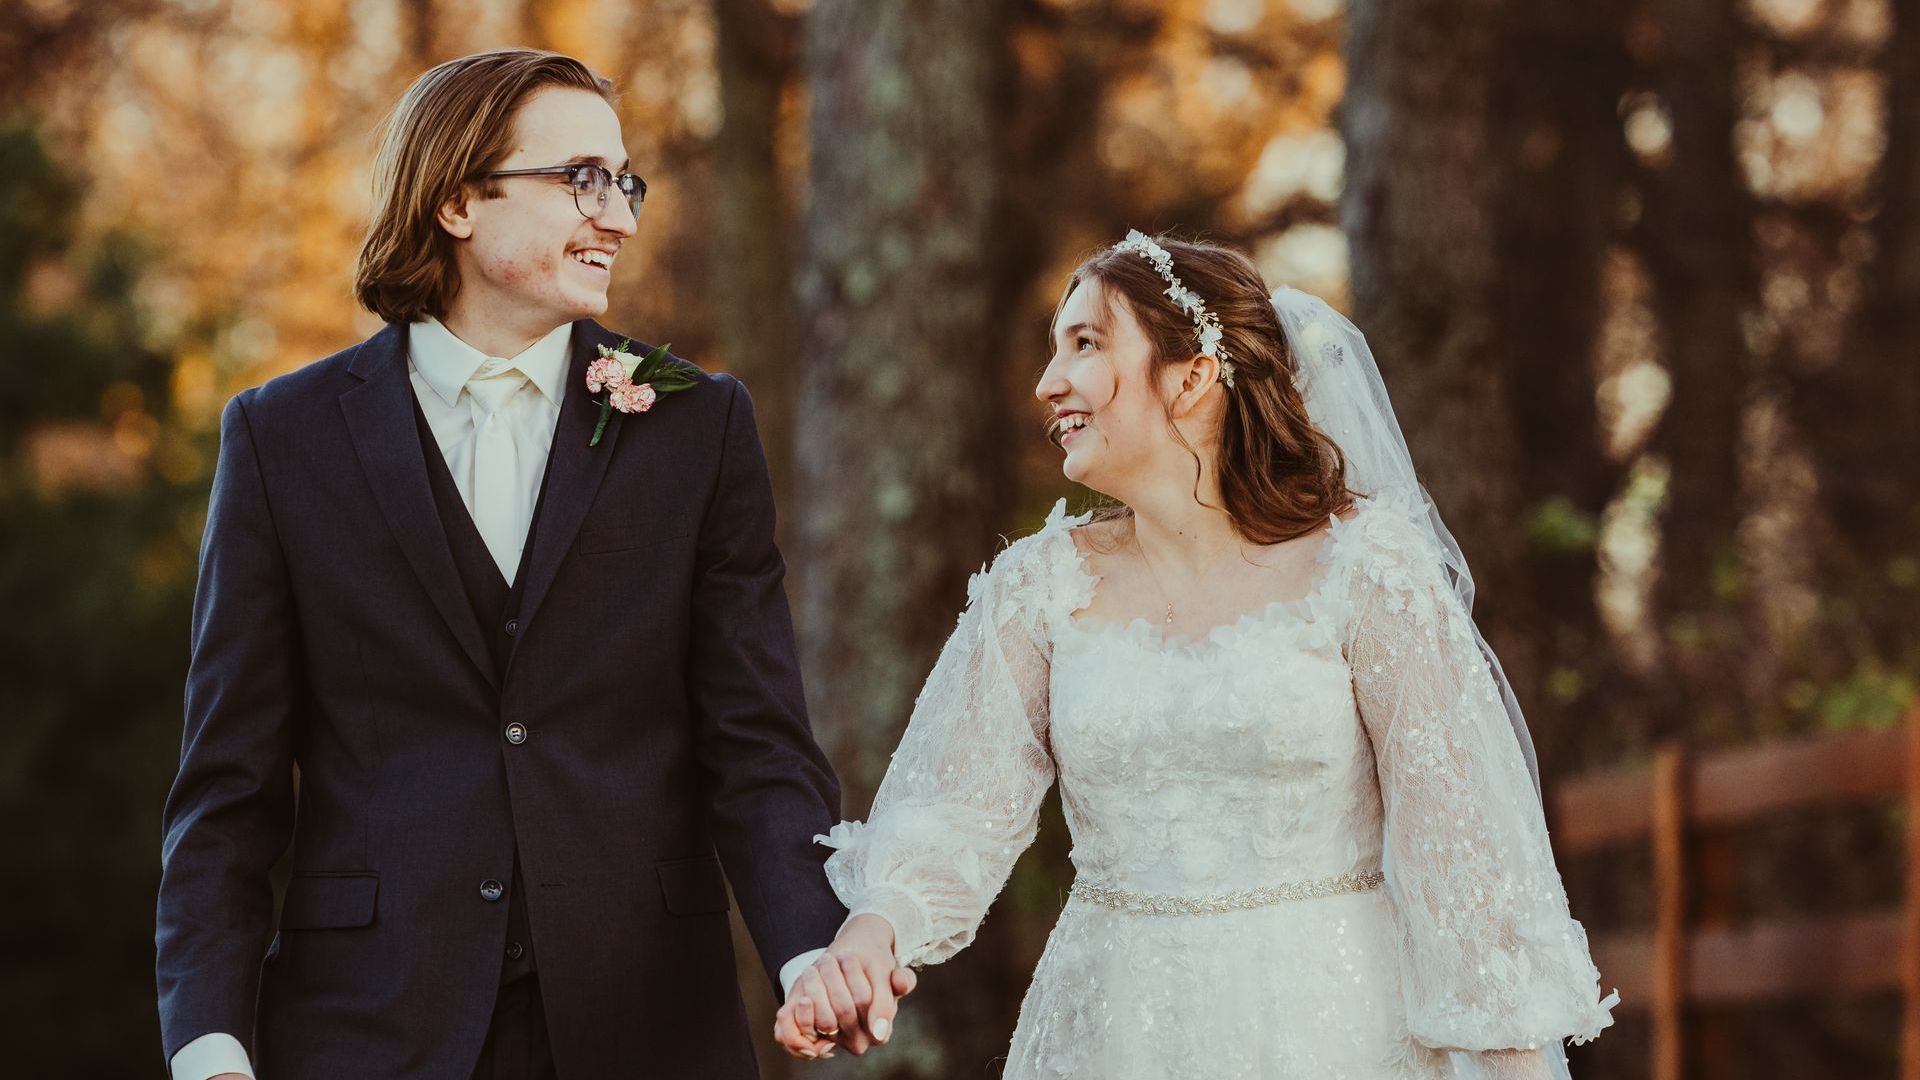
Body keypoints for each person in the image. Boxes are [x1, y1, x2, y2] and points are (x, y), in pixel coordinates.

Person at [155, 48, 857, 1080]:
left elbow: (757, 742)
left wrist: (811, 948)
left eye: (625, 181)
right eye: (580, 178)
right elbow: (228, 790)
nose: (617, 214)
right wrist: (210, 1044)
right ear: (455, 203)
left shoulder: (698, 421)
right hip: (367, 1029)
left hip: (646, 1024)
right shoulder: (282, 436)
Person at [775, 232, 1618, 1078]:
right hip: (1111, 1035)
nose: (1047, 382)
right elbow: (951, 813)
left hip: (1338, 1032)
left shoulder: (1367, 570)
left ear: (1192, 377)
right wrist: (869, 933)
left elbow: (1467, 867)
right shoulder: (1035, 588)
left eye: (1086, 343)